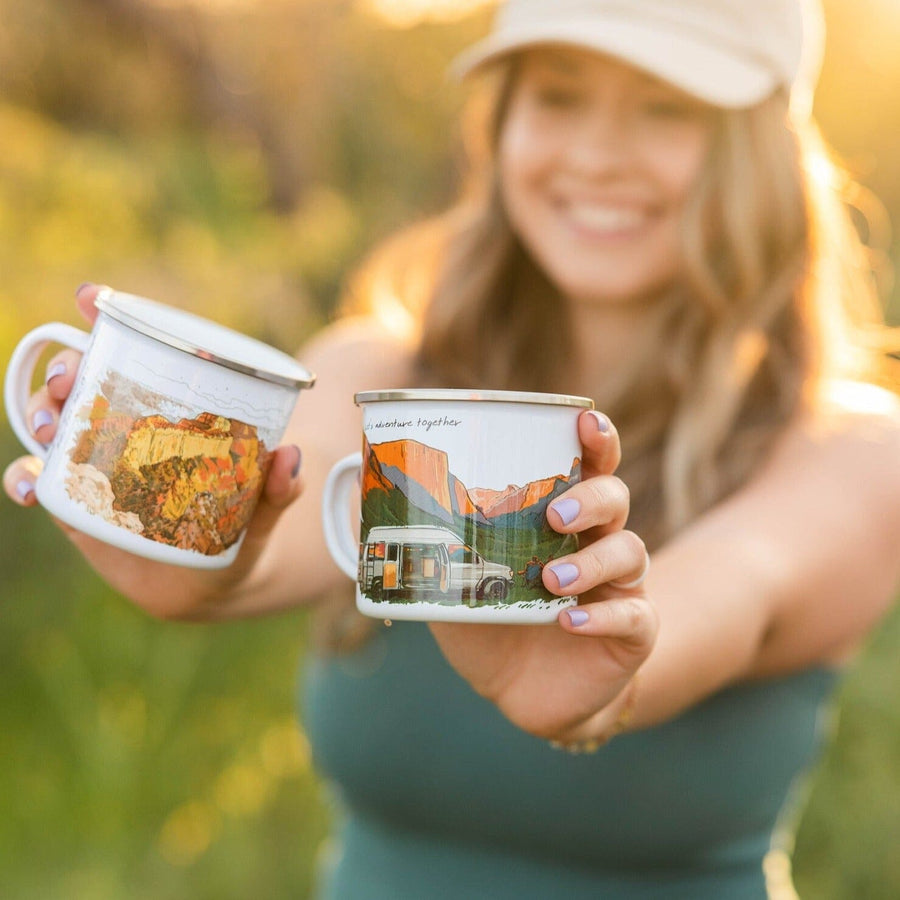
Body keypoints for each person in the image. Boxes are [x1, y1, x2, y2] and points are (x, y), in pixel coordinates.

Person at [5, 0, 900, 896]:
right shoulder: (383, 381)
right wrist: (190, 563)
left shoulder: (855, 450)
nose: (596, 152)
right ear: (501, 125)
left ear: (764, 152)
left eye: (666, 108)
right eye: (556, 97)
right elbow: (252, 550)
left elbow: (727, 590)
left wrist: (599, 674)